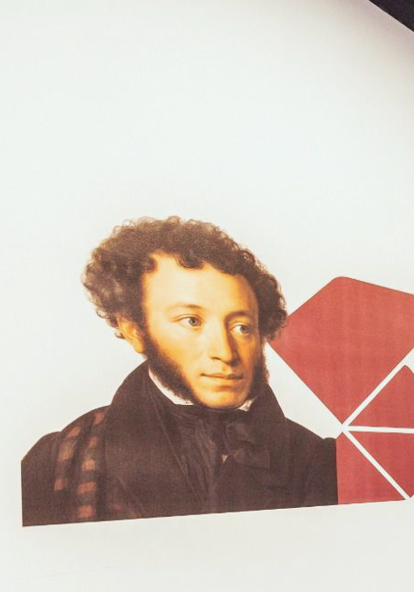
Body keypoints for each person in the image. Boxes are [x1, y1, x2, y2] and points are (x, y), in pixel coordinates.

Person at [21, 217, 337, 526]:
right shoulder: (60, 459)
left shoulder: (320, 462)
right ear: (134, 330)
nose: (225, 352)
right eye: (192, 321)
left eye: (241, 327)